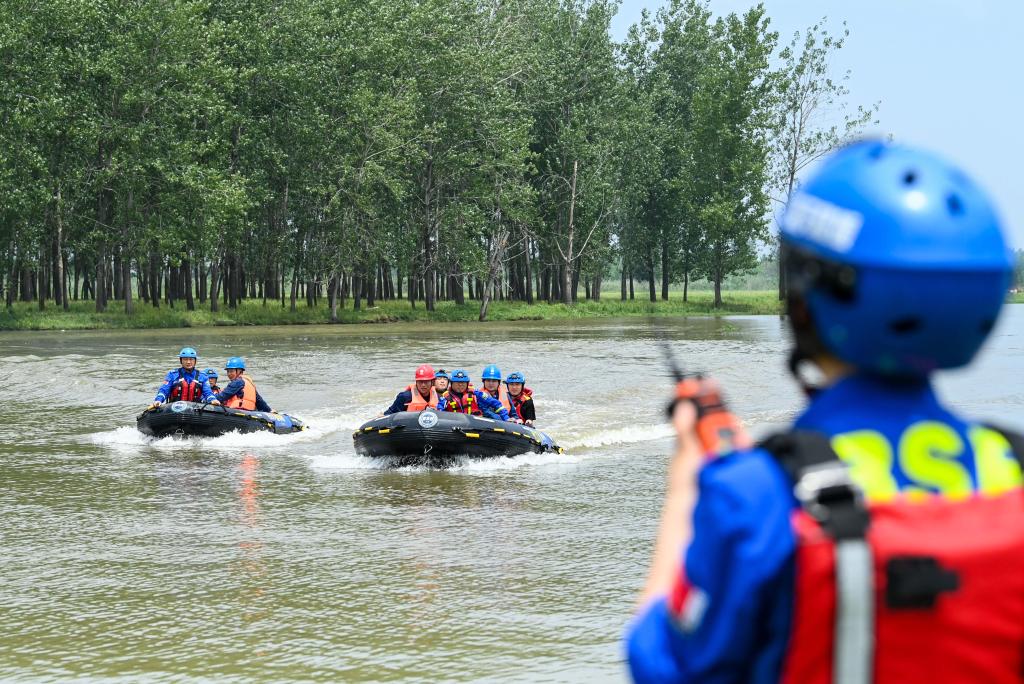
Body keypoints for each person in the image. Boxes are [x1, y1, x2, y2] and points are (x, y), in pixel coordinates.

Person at [626, 141, 1024, 683]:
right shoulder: (1012, 467)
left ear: (801, 299)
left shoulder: (753, 492)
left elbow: (660, 665)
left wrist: (687, 484)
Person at [150, 347, 216, 407]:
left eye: (191, 359)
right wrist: (158, 400)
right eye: (185, 359)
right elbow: (164, 390)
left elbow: (207, 392)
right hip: (174, 409)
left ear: (195, 361)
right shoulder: (172, 374)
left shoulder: (202, 376)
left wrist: (213, 400)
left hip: (195, 410)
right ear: (181, 361)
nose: (188, 362)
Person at [437, 369, 510, 421]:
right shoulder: (445, 398)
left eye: (463, 382)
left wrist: (506, 418)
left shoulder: (476, 394)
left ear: (467, 383)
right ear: (451, 383)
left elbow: (495, 403)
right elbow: (439, 412)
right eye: (457, 382)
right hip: (455, 427)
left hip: (475, 426)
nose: (460, 385)